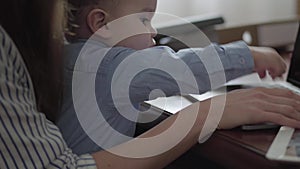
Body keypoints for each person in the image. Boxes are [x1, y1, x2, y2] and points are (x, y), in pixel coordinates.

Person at [1, 0, 300, 169]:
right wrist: (249, 55)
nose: (154, 31)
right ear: (102, 23)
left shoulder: (62, 57)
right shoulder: (110, 65)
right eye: (145, 20)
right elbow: (182, 67)